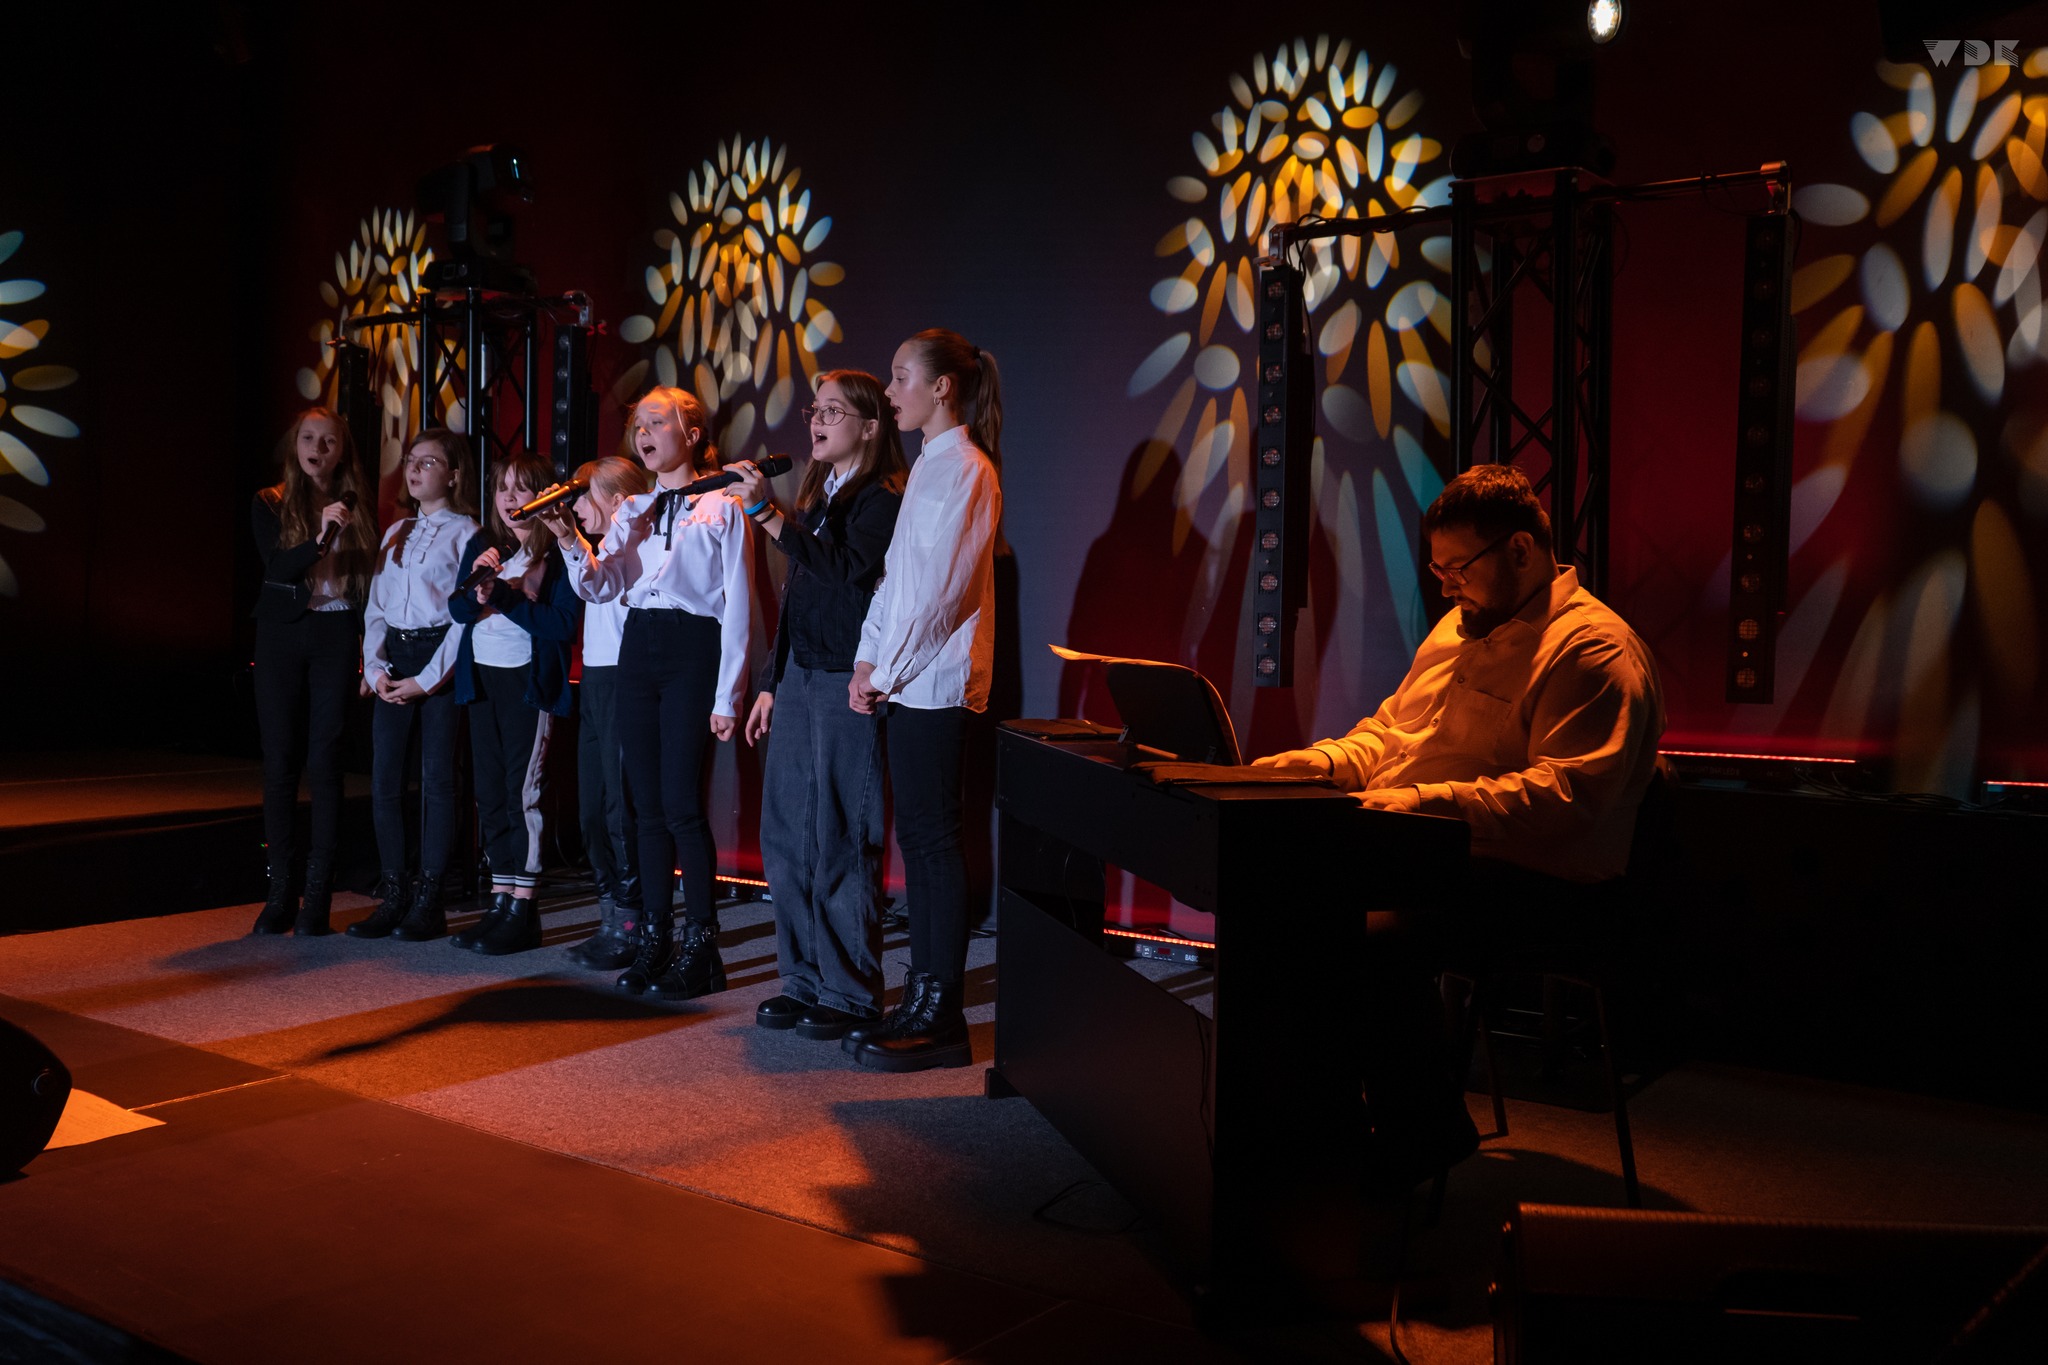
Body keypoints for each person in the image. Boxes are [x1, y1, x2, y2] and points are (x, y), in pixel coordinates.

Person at [1251, 462, 1665, 1182]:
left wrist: (1419, 803)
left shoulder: (1593, 651)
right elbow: (1394, 731)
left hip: (1549, 885)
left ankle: (1418, 1136)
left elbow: (1564, 798)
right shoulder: (1460, 625)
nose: (1445, 586)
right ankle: (1323, 1133)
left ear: (1520, 550)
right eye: (1438, 569)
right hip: (1434, 850)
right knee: (1289, 903)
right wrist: (1324, 762)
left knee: (1364, 935)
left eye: (1457, 568)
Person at [537, 387, 754, 1000]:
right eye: (638, 425)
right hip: (638, 645)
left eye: (657, 422)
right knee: (644, 808)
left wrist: (728, 695)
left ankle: (701, 947)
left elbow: (740, 601)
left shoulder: (723, 504)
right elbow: (600, 587)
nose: (644, 434)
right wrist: (568, 538)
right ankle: (654, 939)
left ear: (691, 433)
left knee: (681, 804)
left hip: (692, 646)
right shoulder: (634, 508)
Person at [726, 370, 906, 1041]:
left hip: (845, 679)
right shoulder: (820, 493)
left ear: (870, 426)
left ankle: (849, 990)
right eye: (815, 410)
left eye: (834, 411)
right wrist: (770, 681)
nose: (817, 421)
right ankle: (801, 979)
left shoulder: (883, 498)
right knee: (785, 834)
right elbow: (799, 594)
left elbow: (847, 571)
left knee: (839, 835)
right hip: (801, 673)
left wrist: (768, 516)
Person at [841, 330, 1003, 1073]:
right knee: (922, 843)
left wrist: (890, 669)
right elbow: (894, 581)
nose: (891, 389)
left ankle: (941, 1014)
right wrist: (868, 658)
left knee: (935, 845)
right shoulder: (929, 468)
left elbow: (944, 593)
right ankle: (923, 999)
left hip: (934, 685)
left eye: (901, 376)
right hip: (906, 680)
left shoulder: (968, 469)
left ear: (942, 387)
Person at [348, 429, 481, 942]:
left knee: (437, 780)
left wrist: (426, 681)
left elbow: (464, 618)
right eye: (411, 460)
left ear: (454, 474)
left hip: (437, 659)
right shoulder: (396, 530)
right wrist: (374, 667)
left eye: (429, 462)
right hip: (395, 656)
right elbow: (376, 606)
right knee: (384, 780)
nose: (415, 469)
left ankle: (430, 898)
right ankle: (395, 892)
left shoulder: (467, 533)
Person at [446, 454, 582, 955]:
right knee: (489, 793)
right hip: (482, 681)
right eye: (502, 487)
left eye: (521, 488)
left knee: (521, 794)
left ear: (543, 496)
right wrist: (479, 585)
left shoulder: (557, 554)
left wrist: (503, 597)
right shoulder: (487, 546)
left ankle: (524, 910)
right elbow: (457, 609)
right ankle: (500, 901)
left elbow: (562, 626)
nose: (508, 497)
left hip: (527, 684)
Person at [249, 406, 376, 936]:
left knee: (325, 761)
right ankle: (281, 890)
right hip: (281, 635)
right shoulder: (270, 501)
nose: (317, 449)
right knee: (280, 760)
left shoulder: (359, 507)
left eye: (328, 441)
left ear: (342, 450)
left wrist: (372, 650)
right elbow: (278, 567)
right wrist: (320, 536)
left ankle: (318, 895)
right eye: (308, 438)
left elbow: (370, 585)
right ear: (294, 445)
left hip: (336, 632)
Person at [564, 455, 654, 971]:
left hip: (625, 679)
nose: (576, 507)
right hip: (595, 681)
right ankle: (609, 916)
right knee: (592, 808)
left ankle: (630, 923)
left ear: (619, 500)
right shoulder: (596, 551)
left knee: (623, 810)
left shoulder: (636, 549)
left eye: (584, 495)